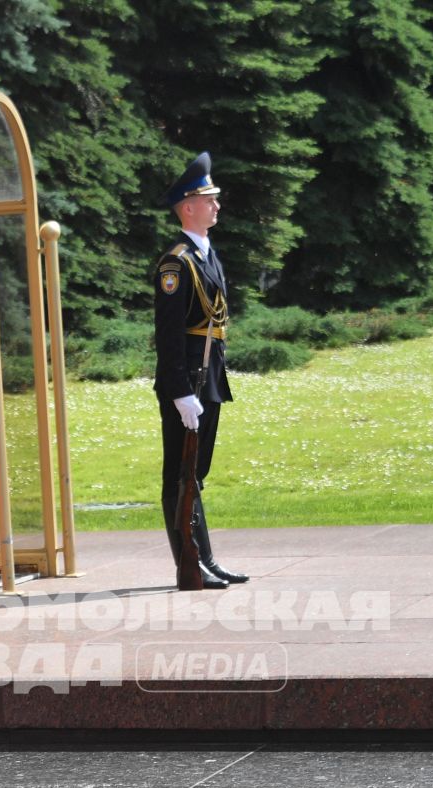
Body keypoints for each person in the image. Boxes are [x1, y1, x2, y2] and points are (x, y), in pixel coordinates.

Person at [154, 151, 248, 589]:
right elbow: (170, 332)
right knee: (180, 473)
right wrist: (178, 391)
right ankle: (187, 566)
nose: (217, 205)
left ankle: (205, 559)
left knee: (198, 474)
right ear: (187, 207)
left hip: (207, 377)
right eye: (209, 199)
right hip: (187, 382)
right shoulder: (177, 262)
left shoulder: (207, 254)